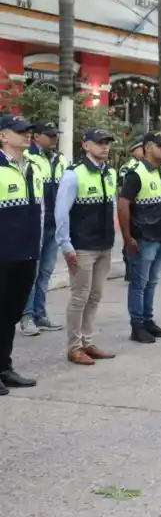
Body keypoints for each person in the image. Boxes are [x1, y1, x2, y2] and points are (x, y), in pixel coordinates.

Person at [55, 128, 118, 365]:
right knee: (79, 297)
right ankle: (74, 347)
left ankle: (87, 341)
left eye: (107, 142)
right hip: (82, 246)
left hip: (104, 245)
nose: (105, 146)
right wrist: (65, 244)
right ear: (86, 145)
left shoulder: (109, 172)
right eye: (99, 142)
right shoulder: (74, 174)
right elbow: (61, 212)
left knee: (95, 295)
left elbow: (111, 205)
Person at [118, 132, 161, 344]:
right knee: (139, 283)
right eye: (160, 146)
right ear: (148, 147)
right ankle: (137, 326)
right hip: (145, 237)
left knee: (152, 282)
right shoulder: (136, 174)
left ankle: (148, 321)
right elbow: (123, 204)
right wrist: (128, 238)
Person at [0, 114, 43, 395]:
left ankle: (4, 367)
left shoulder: (33, 167)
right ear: (3, 136)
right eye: (20, 130)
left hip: (26, 253)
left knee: (11, 314)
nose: (27, 134)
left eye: (29, 130)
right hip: (2, 254)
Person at [19, 120, 67, 336]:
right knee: (31, 272)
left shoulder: (59, 159)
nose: (54, 138)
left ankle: (40, 314)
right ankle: (26, 316)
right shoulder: (27, 158)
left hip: (54, 225)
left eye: (56, 134)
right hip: (34, 224)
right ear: (36, 137)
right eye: (50, 135)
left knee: (45, 272)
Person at [118, 140, 144, 282]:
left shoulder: (146, 166)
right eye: (140, 148)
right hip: (130, 206)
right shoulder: (128, 167)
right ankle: (129, 268)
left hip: (141, 208)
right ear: (134, 151)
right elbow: (123, 189)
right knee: (128, 240)